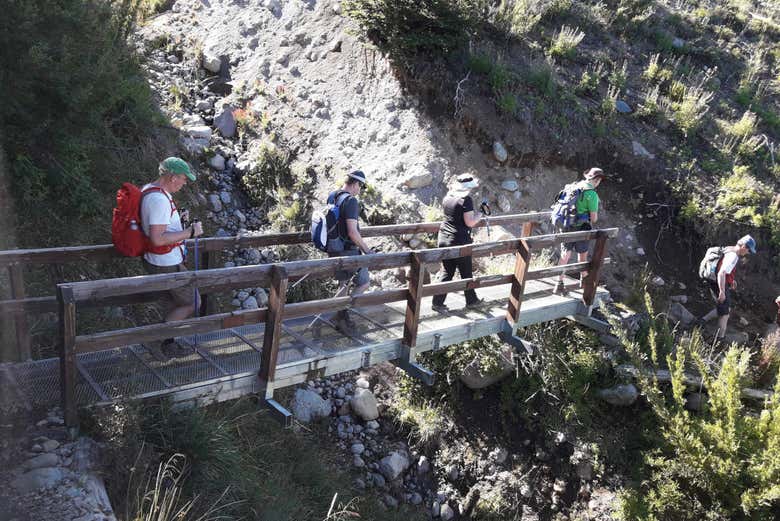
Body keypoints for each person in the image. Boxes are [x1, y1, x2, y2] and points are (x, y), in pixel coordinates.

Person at [140, 157, 204, 359]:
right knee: (193, 302)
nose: (185, 183)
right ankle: (156, 341)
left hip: (157, 260)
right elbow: (158, 239)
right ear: (171, 176)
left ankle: (167, 343)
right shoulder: (159, 200)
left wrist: (179, 221)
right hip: (166, 262)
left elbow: (159, 227)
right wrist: (190, 233)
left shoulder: (150, 190)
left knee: (175, 302)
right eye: (183, 179)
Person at [327, 170, 374, 332]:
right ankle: (343, 314)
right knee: (364, 282)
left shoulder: (333, 195)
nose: (359, 190)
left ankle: (336, 316)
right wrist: (367, 251)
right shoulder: (351, 201)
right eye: (360, 186)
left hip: (334, 249)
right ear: (355, 184)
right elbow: (353, 232)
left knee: (343, 284)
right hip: (349, 251)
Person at [431, 173, 484, 312]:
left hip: (444, 237)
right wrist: (481, 214)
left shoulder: (448, 197)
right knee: (466, 272)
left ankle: (437, 302)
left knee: (447, 271)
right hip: (459, 240)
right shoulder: (465, 200)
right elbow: (470, 222)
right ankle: (471, 301)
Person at [553, 167, 606, 295]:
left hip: (566, 225)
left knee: (565, 254)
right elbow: (593, 219)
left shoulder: (574, 186)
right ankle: (585, 281)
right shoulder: (592, 194)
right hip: (582, 228)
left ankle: (558, 283)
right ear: (597, 180)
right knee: (582, 254)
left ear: (587, 176)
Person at [700, 235, 756, 341]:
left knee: (725, 308)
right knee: (725, 314)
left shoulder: (729, 249)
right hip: (718, 283)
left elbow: (723, 268)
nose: (748, 253)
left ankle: (702, 321)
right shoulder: (733, 256)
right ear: (744, 246)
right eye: (749, 250)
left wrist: (731, 280)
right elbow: (721, 273)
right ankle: (719, 340)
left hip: (715, 281)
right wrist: (722, 291)